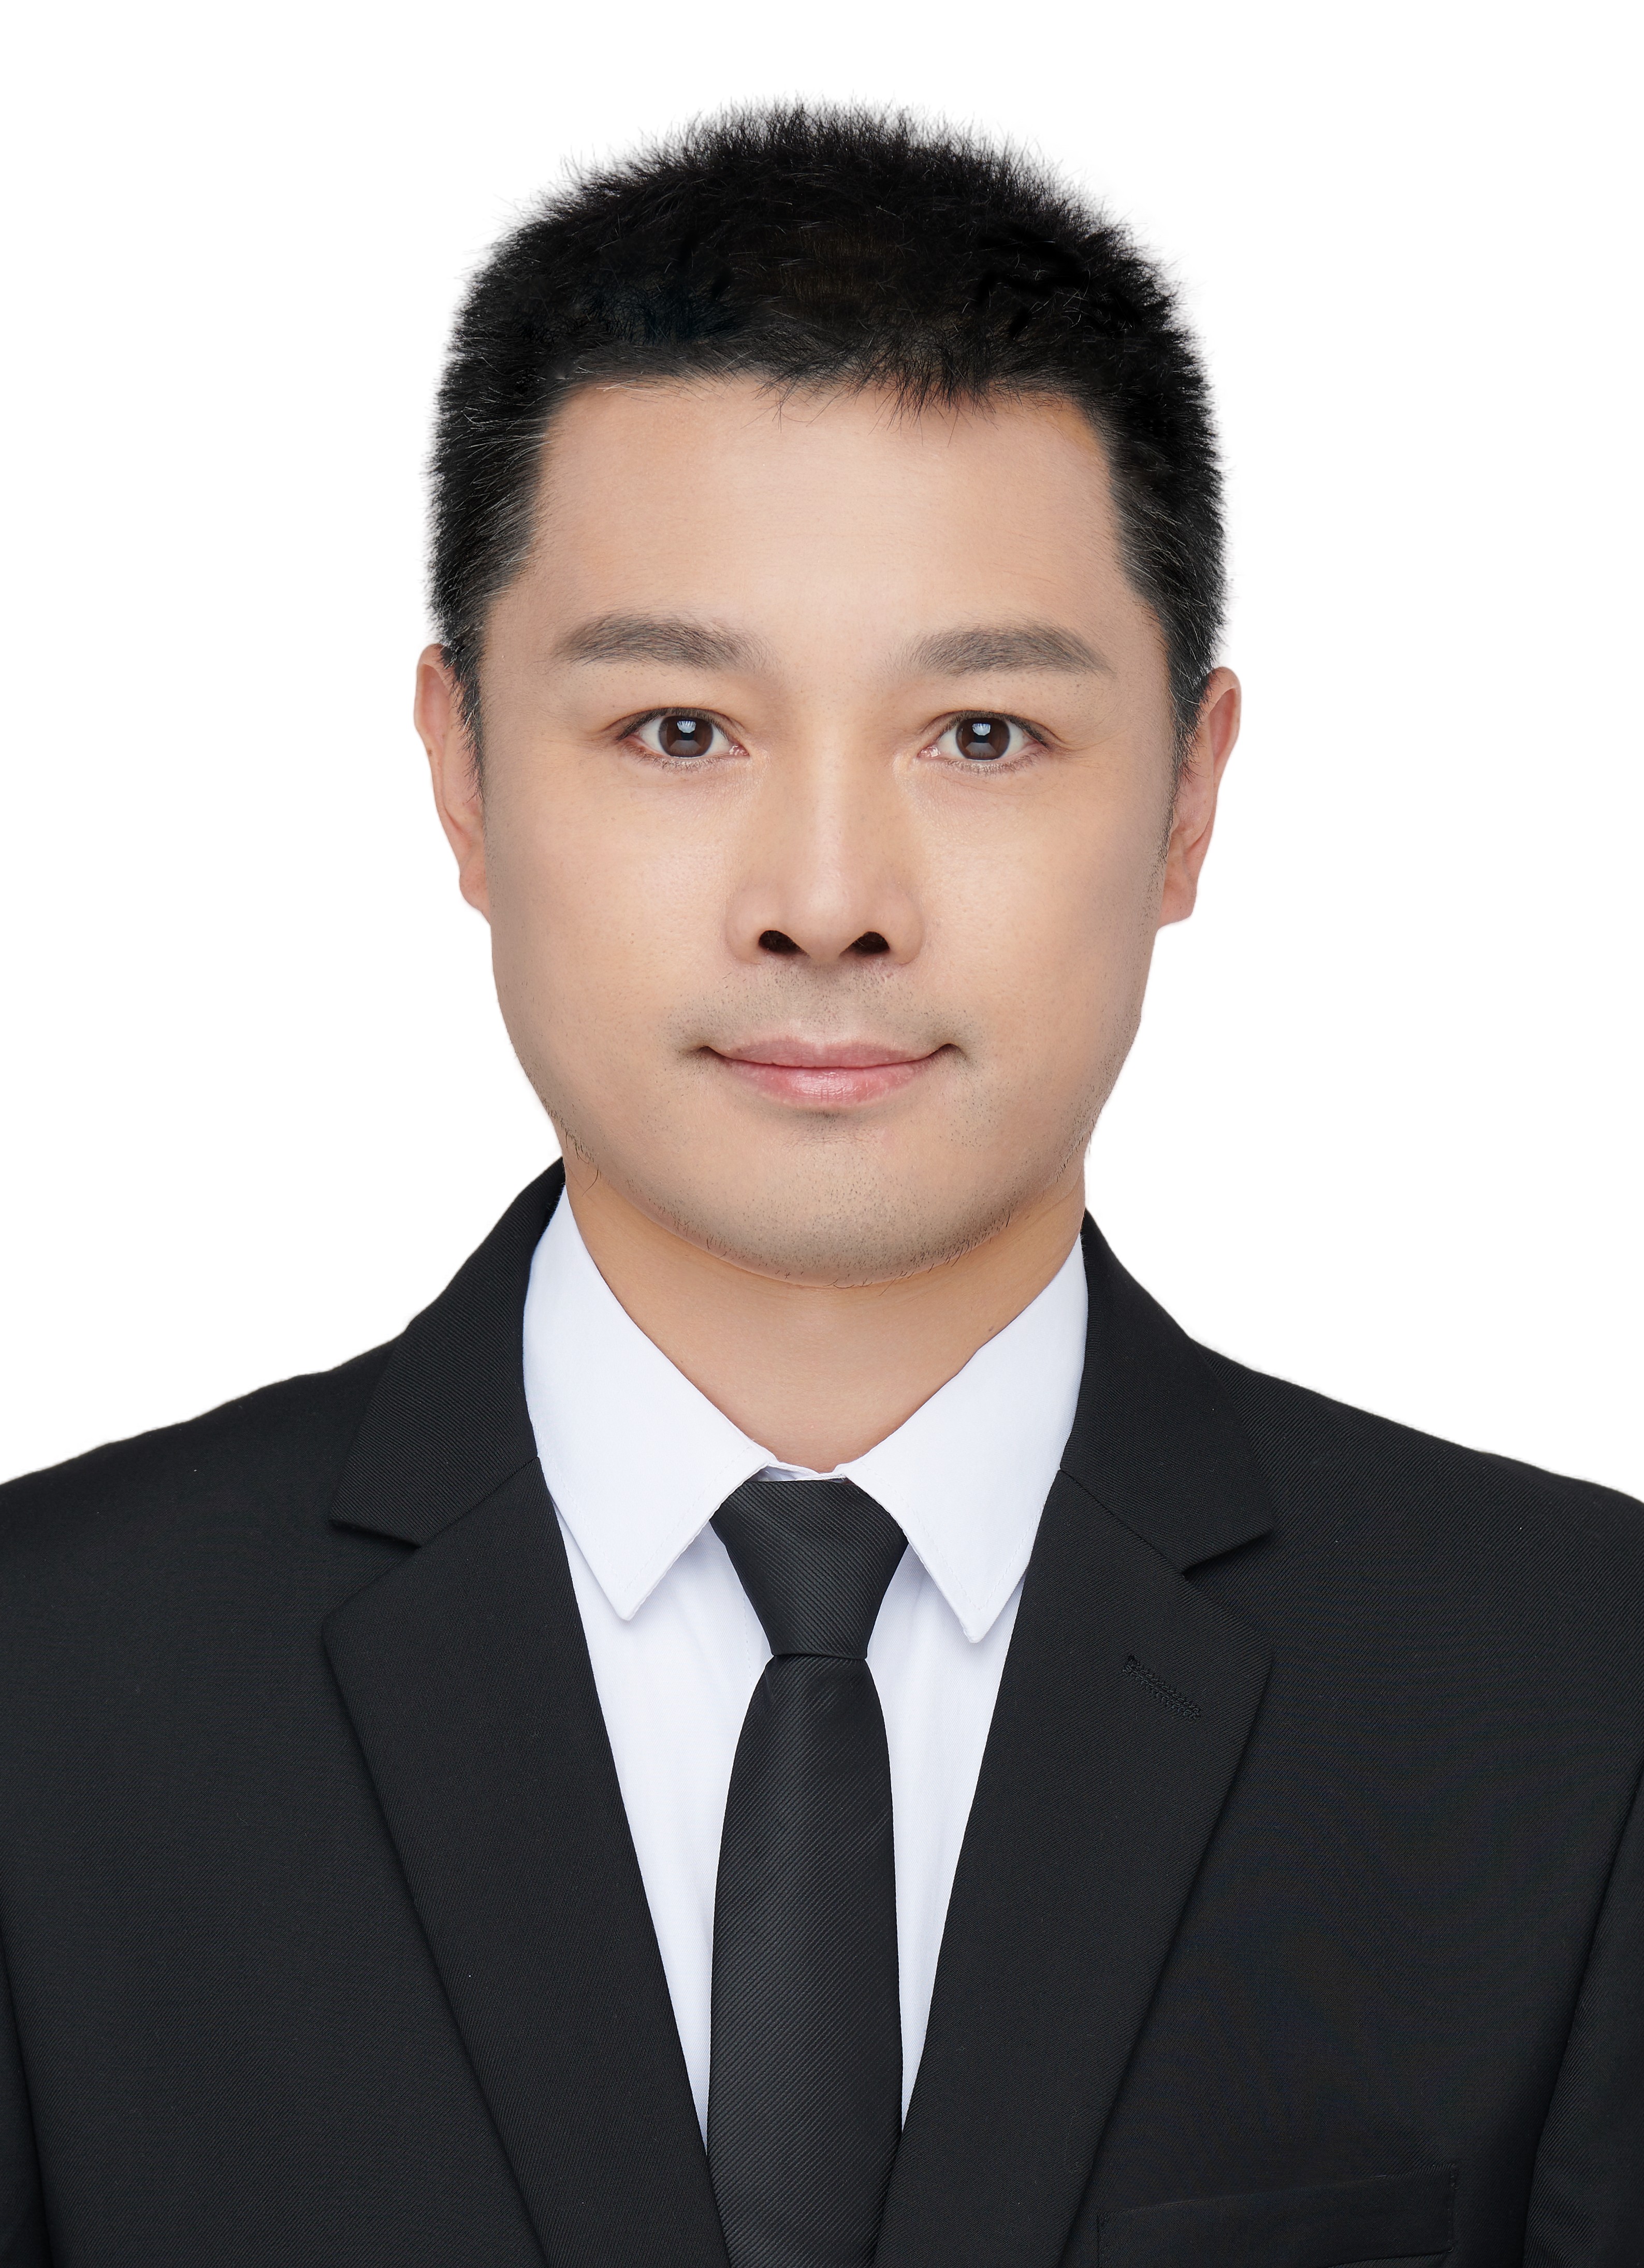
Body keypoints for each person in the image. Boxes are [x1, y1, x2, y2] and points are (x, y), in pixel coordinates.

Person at [1, 104, 1639, 2268]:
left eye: (981, 735)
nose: (828, 898)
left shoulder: (1578, 1694)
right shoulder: (48, 1687)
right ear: (462, 777)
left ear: (1186, 800)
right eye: (680, 730)